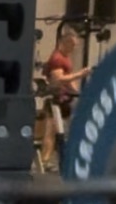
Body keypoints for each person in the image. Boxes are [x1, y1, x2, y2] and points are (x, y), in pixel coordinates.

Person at [36, 22, 92, 169]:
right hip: (56, 101)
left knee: (61, 133)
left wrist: (79, 94)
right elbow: (59, 79)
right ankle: (44, 162)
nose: (73, 49)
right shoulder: (57, 58)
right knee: (51, 132)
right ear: (64, 43)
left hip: (65, 100)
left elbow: (68, 80)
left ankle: (50, 161)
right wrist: (81, 74)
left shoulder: (65, 58)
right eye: (72, 45)